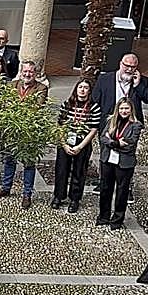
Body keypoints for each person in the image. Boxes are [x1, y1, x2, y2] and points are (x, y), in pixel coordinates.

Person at [0, 61, 49, 209]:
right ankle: (6, 187)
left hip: (29, 133)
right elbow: (4, 104)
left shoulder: (42, 88)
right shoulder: (12, 85)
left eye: (30, 72)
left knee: (28, 163)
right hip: (12, 130)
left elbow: (36, 108)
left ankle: (27, 194)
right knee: (9, 160)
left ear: (35, 74)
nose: (27, 74)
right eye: (25, 72)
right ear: (20, 72)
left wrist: (15, 107)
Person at [52, 78, 102, 212]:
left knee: (79, 172)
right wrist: (63, 144)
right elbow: (59, 125)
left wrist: (80, 146)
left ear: (89, 91)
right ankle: (58, 196)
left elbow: (93, 129)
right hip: (66, 141)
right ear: (76, 89)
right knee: (61, 170)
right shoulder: (67, 104)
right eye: (80, 87)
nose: (82, 90)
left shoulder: (94, 107)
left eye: (86, 88)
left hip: (82, 142)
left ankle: (75, 199)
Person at [97, 98, 142, 229]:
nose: (124, 111)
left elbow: (130, 145)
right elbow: (103, 138)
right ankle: (103, 216)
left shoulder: (136, 125)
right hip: (108, 160)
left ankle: (117, 220)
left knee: (122, 192)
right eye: (122, 108)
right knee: (105, 188)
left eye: (126, 108)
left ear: (131, 110)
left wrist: (111, 142)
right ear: (118, 109)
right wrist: (116, 143)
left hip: (124, 163)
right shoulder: (111, 121)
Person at [91, 53, 148, 125]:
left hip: (130, 123)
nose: (129, 69)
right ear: (121, 64)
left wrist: (137, 85)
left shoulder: (142, 80)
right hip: (108, 121)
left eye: (133, 67)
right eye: (127, 66)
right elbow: (95, 99)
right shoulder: (104, 79)